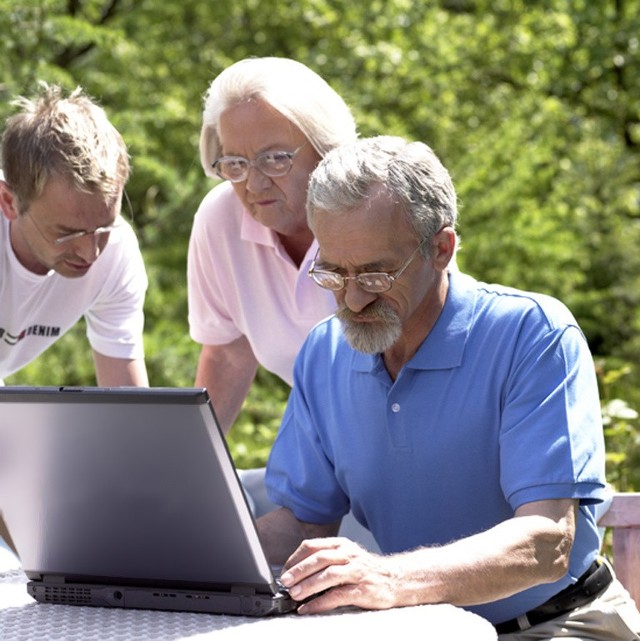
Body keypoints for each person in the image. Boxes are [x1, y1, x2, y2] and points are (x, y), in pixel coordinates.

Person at [258, 136, 640, 639]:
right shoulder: (324, 352)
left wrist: (389, 577)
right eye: (332, 271)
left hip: (559, 623)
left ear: (442, 249)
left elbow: (547, 543)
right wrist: (185, 557)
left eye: (375, 274)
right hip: (416, 627)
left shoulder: (532, 333)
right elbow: (303, 525)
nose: (350, 298)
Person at [187, 57, 357, 434]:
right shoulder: (220, 220)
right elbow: (228, 352)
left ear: (325, 149)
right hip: (330, 438)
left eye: (275, 159)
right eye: (236, 163)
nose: (253, 183)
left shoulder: (375, 212)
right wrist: (185, 470)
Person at [0, 83, 148, 388]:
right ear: (9, 202)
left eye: (103, 226)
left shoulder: (117, 251)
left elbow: (128, 404)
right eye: (67, 232)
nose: (90, 252)